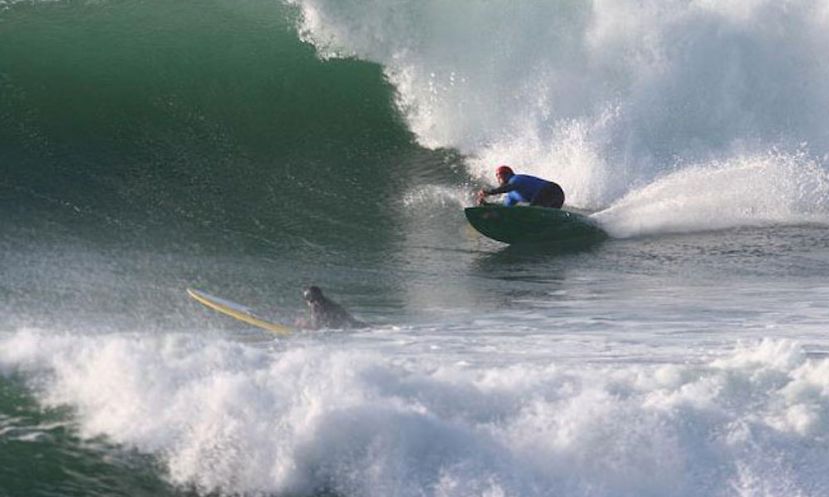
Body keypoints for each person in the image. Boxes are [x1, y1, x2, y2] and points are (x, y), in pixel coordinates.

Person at [475, 165, 565, 208]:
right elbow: (504, 208)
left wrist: (490, 192)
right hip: (556, 198)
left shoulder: (516, 179)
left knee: (532, 210)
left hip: (552, 190)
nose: (498, 179)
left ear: (507, 174)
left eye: (499, 175)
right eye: (497, 176)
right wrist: (486, 204)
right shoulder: (511, 196)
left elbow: (508, 187)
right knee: (543, 214)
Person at [296, 285, 367, 330]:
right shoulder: (327, 301)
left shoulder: (316, 306)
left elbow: (316, 326)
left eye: (306, 298)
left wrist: (303, 325)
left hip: (346, 327)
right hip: (353, 323)